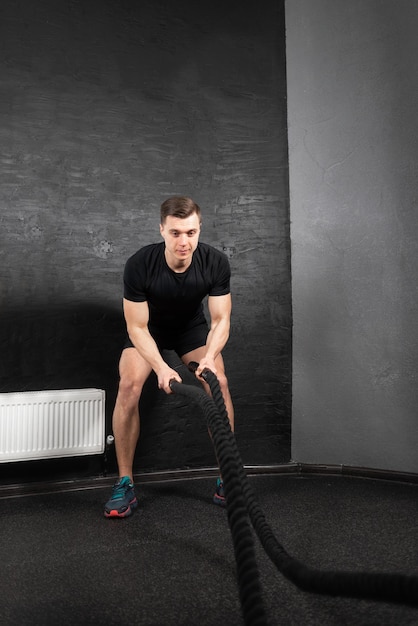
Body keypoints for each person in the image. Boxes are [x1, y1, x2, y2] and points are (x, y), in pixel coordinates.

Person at [104, 196, 234, 518]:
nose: (184, 241)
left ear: (199, 229)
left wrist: (210, 357)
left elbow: (220, 321)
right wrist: (161, 366)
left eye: (190, 232)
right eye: (175, 233)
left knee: (219, 381)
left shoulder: (215, 263)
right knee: (129, 385)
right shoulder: (140, 264)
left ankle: (227, 477)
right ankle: (125, 483)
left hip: (191, 330)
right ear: (161, 229)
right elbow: (136, 327)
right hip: (150, 331)